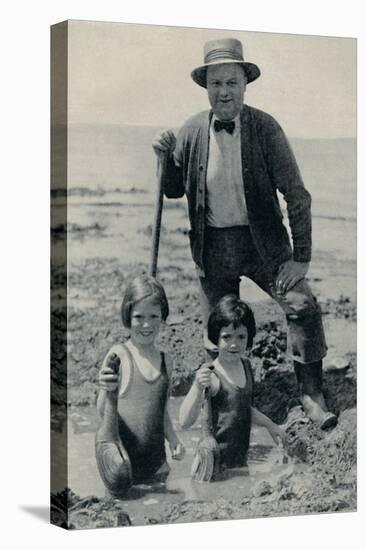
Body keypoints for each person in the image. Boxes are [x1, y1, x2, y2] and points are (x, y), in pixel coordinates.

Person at [152, 37, 337, 430]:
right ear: (206, 86)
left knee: (302, 304)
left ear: (245, 84)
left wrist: (300, 257)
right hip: (214, 246)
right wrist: (165, 156)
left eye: (231, 82)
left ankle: (311, 392)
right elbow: (171, 189)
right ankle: (223, 401)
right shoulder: (190, 131)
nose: (224, 92)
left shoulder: (266, 128)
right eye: (216, 83)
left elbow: (297, 195)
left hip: (264, 245)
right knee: (217, 329)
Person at [95, 274, 185, 497]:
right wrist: (106, 389)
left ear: (163, 316)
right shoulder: (119, 355)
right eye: (139, 317)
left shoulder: (167, 361)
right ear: (127, 316)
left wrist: (173, 439)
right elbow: (102, 412)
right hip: (124, 470)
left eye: (154, 316)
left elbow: (161, 412)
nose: (147, 324)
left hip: (158, 469)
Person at [180, 295, 286, 472]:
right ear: (216, 338)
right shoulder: (212, 375)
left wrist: (270, 425)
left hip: (239, 463)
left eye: (241, 337)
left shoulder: (245, 366)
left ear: (249, 337)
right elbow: (184, 421)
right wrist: (197, 387)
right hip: (211, 466)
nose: (234, 344)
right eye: (227, 337)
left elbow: (241, 409)